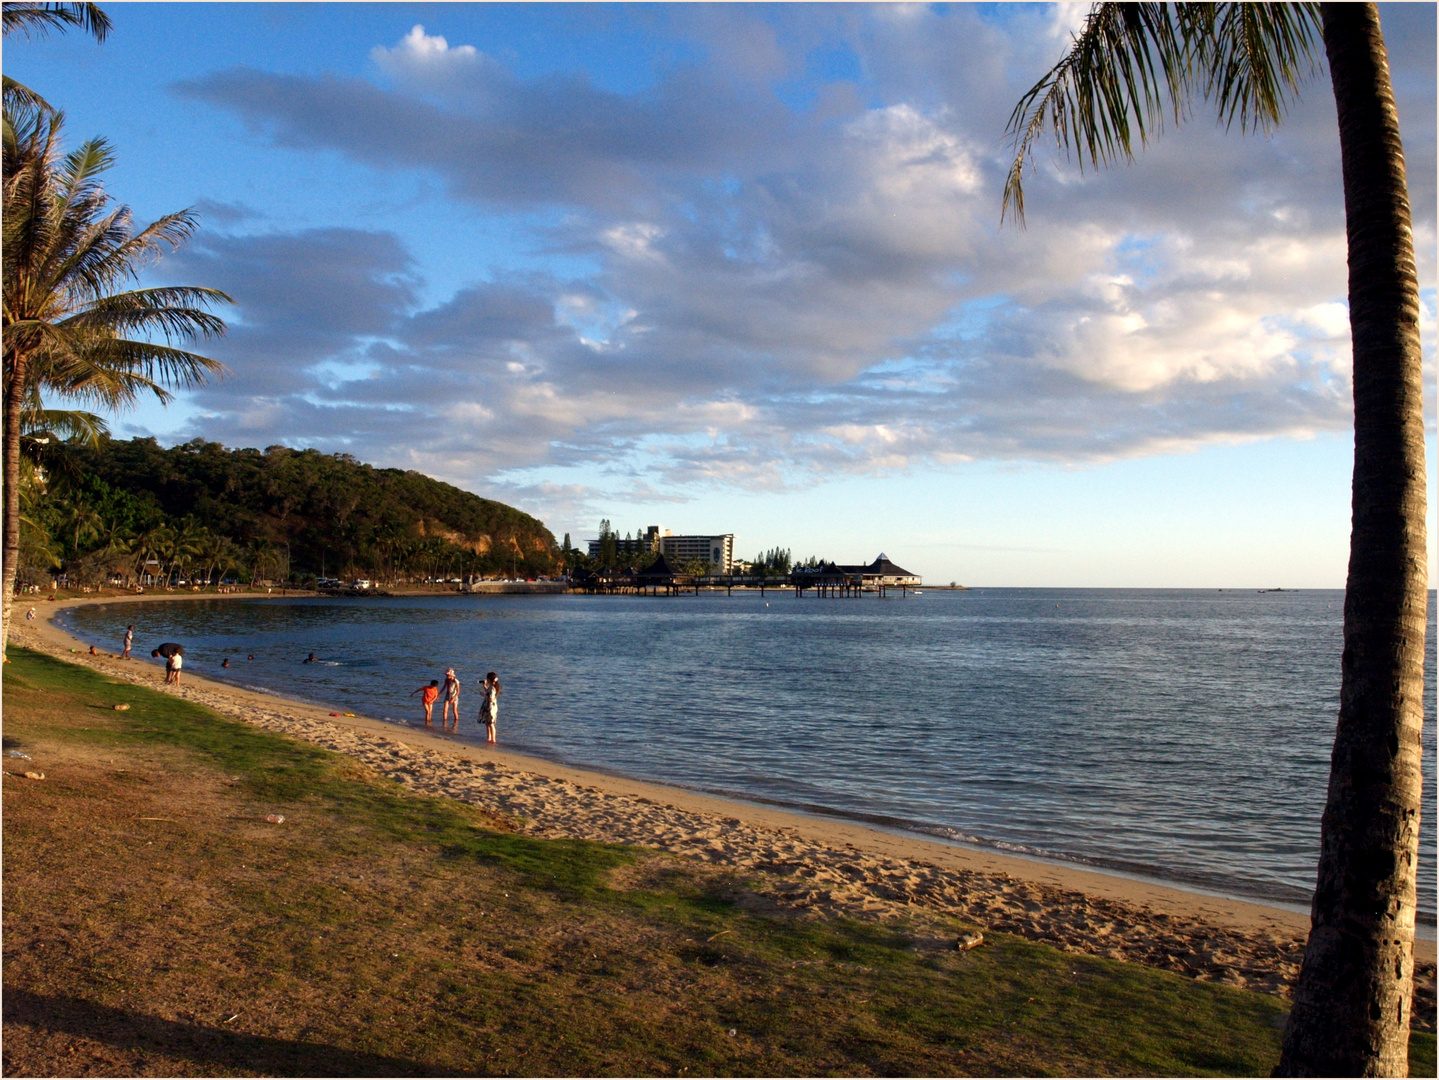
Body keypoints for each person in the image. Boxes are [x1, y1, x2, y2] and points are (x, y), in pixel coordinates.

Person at [479, 671, 501, 744]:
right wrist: (484, 685)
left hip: (491, 708)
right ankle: (489, 737)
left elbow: (491, 699)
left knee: (491, 724)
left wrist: (483, 695)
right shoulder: (491, 687)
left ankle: (493, 739)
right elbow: (487, 691)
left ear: (489, 679)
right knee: (487, 723)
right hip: (488, 706)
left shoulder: (492, 688)